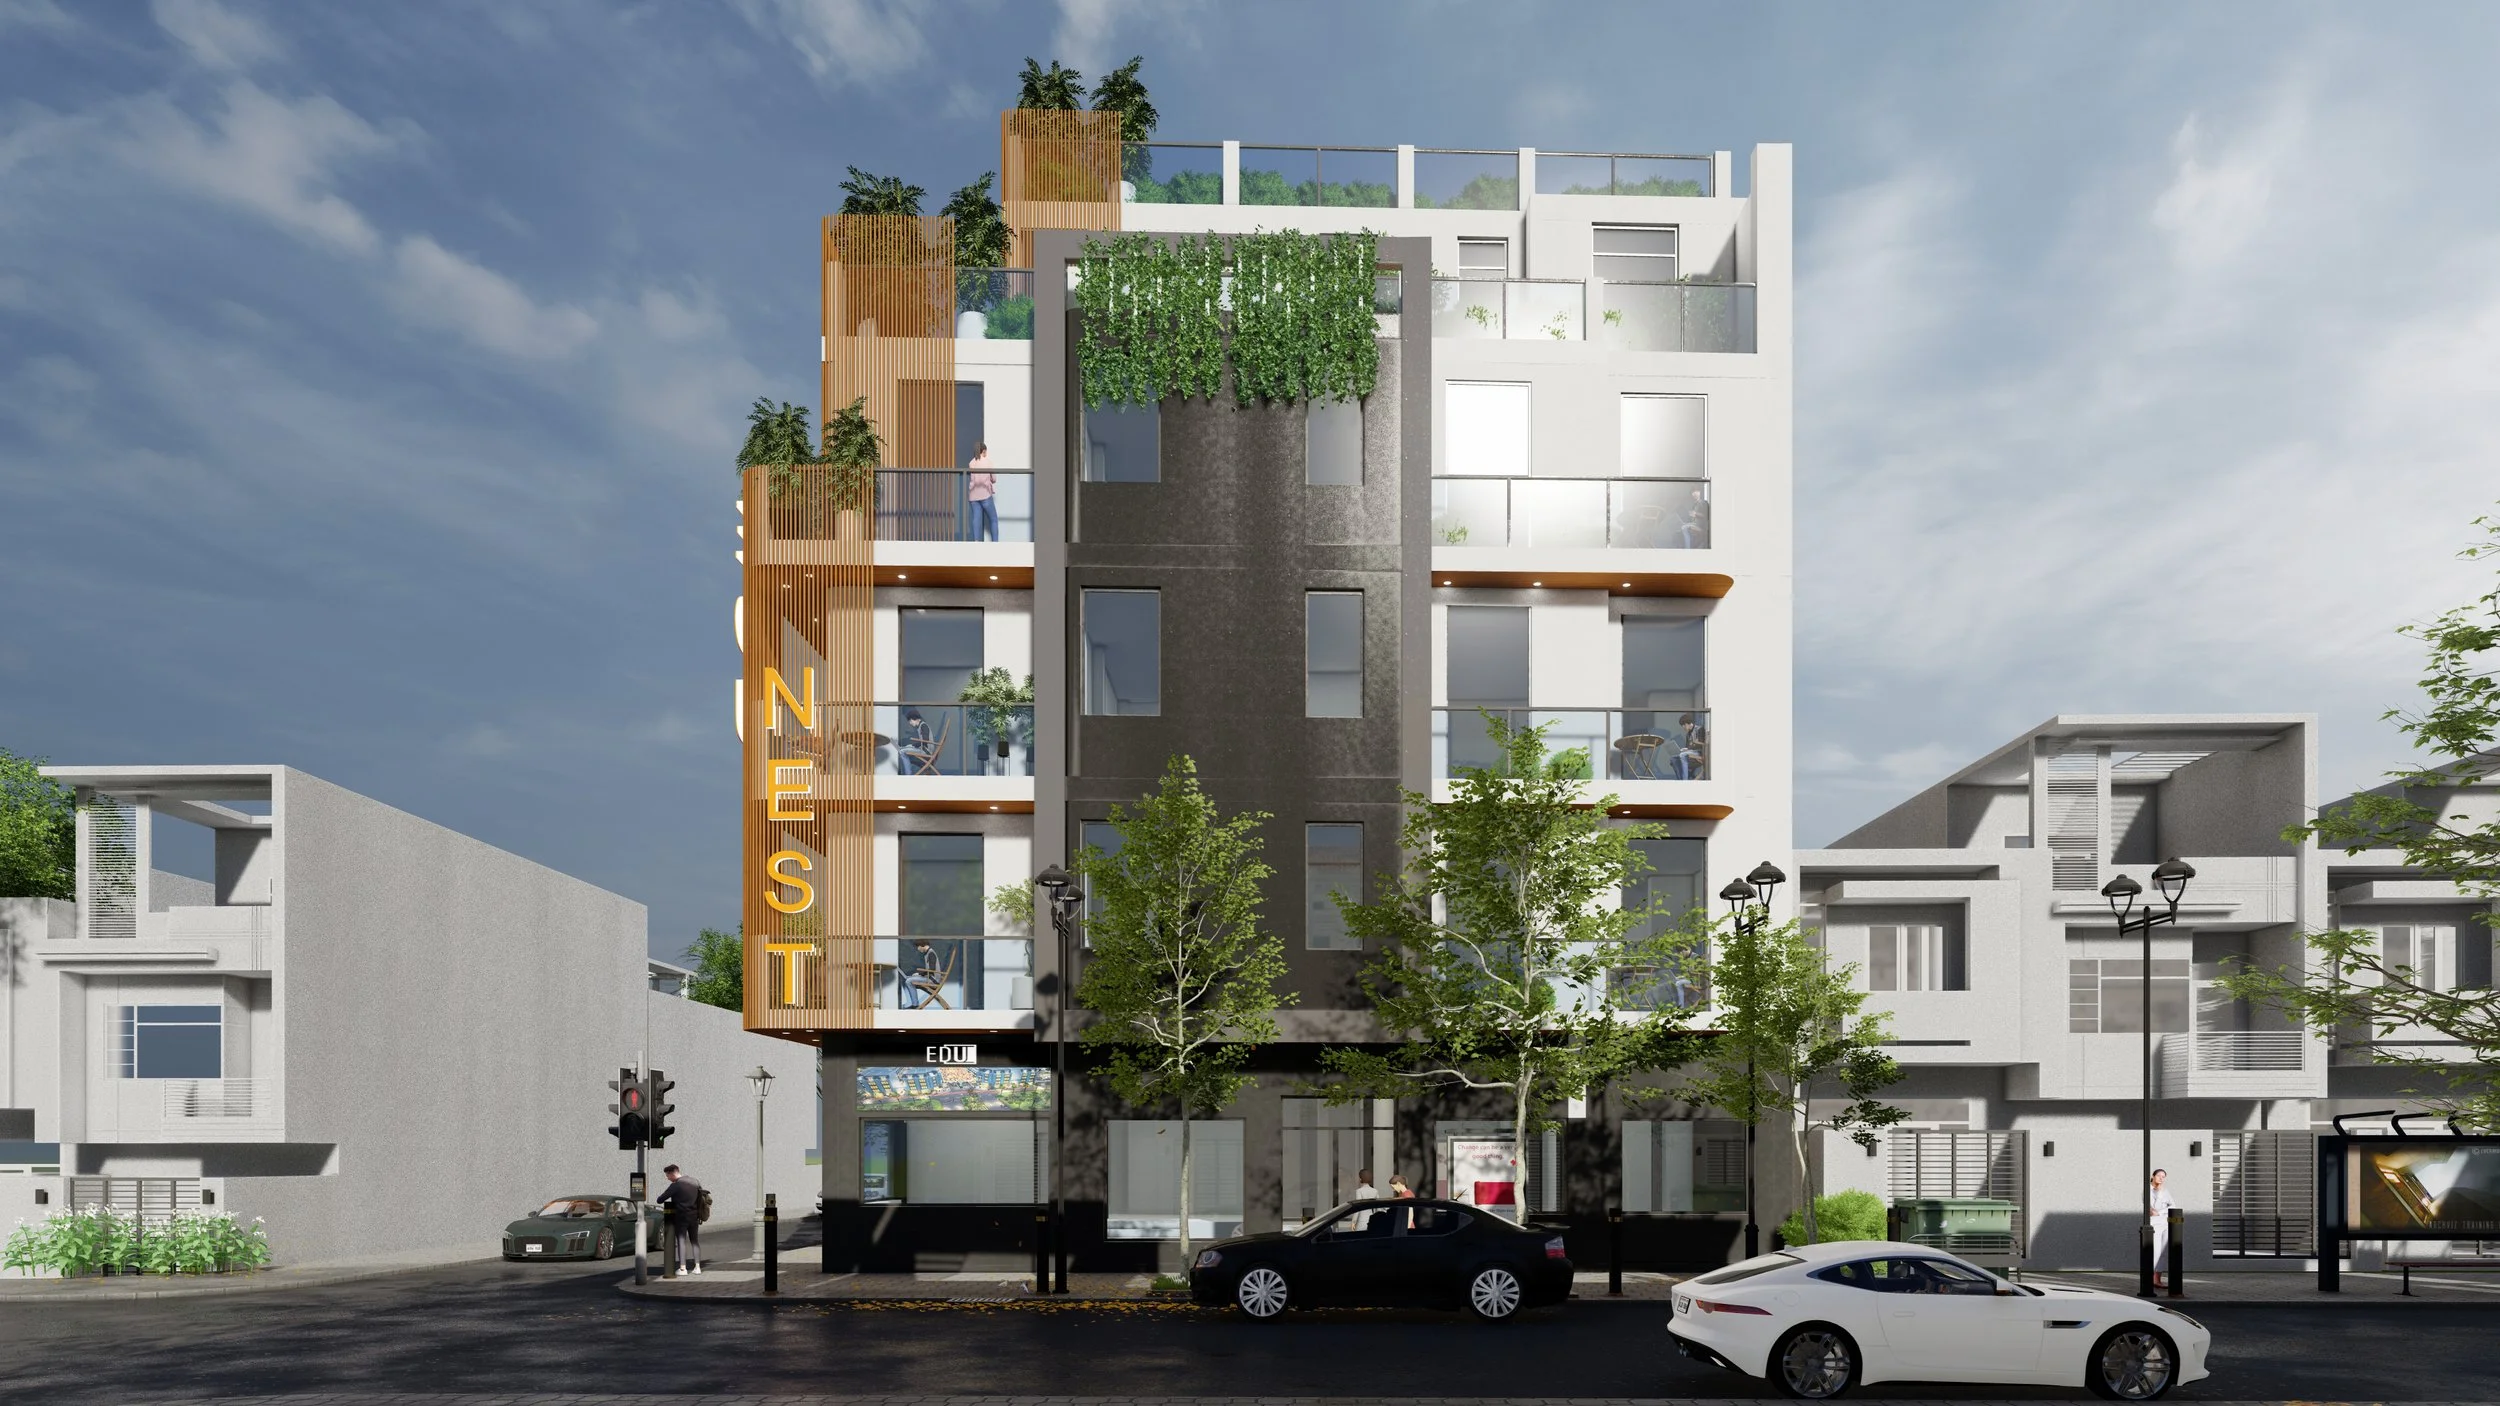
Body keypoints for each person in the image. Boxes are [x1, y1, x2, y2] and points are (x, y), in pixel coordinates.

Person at [656, 1164, 705, 1275]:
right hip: (694, 1216)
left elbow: (660, 1199)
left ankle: (683, 1268)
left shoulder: (676, 1185)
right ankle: (697, 1267)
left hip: (681, 1217)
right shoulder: (695, 1182)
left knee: (681, 1240)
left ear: (672, 1173)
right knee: (694, 1241)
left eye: (667, 1175)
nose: (667, 1178)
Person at [2148, 1168, 2175, 1289]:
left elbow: (2173, 1206)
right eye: (2159, 1175)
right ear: (2153, 1176)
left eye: (2163, 1177)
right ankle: (2150, 1278)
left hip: (2165, 1223)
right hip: (2154, 1225)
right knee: (2156, 1252)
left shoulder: (2165, 1191)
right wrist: (2159, 1193)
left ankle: (2157, 1279)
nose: (2161, 1178)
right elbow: (2153, 1207)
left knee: (2163, 1252)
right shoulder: (2148, 1190)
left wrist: (2160, 1212)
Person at [966, 443, 998, 542]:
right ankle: (995, 543)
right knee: (993, 519)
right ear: (984, 451)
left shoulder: (971, 463)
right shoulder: (988, 462)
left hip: (973, 495)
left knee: (976, 519)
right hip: (985, 494)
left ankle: (976, 541)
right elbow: (994, 479)